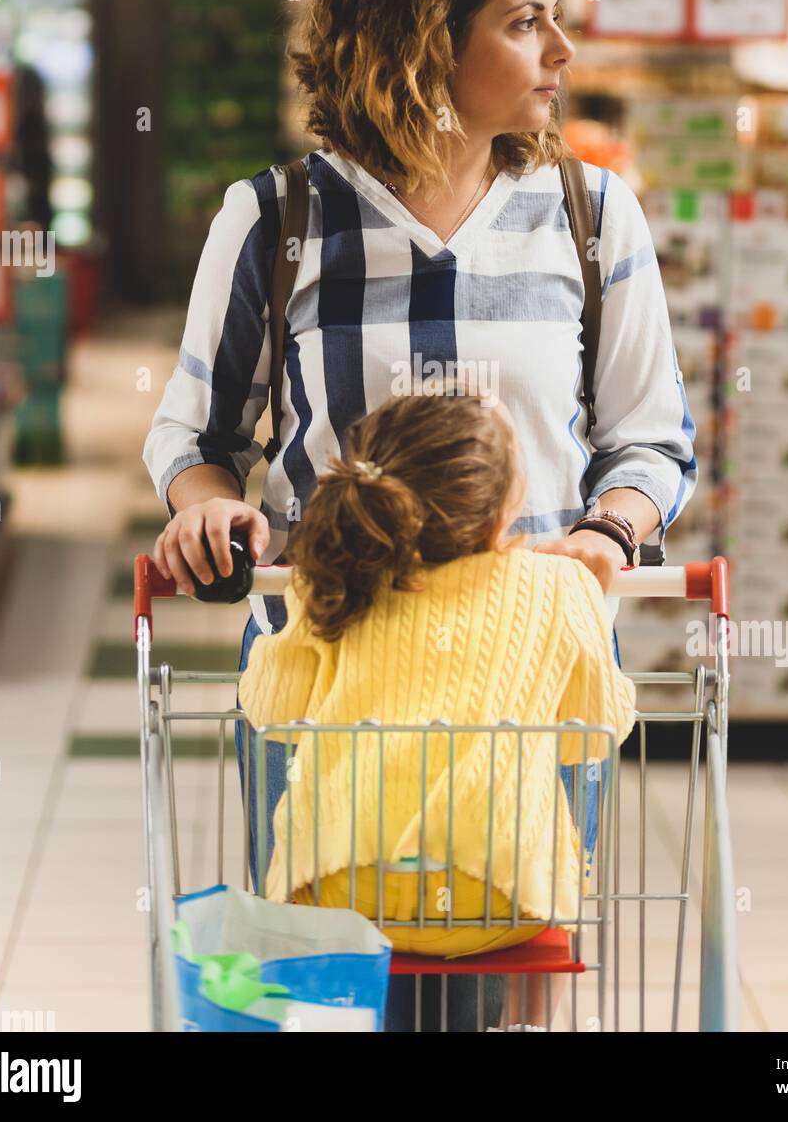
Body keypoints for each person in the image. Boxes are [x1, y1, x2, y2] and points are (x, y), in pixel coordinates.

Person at [143, 0, 697, 1030]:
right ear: (422, 40)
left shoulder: (590, 220)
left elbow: (649, 438)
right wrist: (206, 511)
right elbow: (194, 439)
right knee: (331, 990)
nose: (561, 49)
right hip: (330, 687)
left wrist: (605, 535)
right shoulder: (279, 221)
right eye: (523, 22)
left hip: (518, 685)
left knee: (510, 980)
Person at [236, 386, 637, 1029]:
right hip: (502, 901)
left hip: (342, 889)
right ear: (500, 516)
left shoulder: (336, 574)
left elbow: (272, 712)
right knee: (549, 886)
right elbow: (594, 733)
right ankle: (529, 1027)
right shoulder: (558, 584)